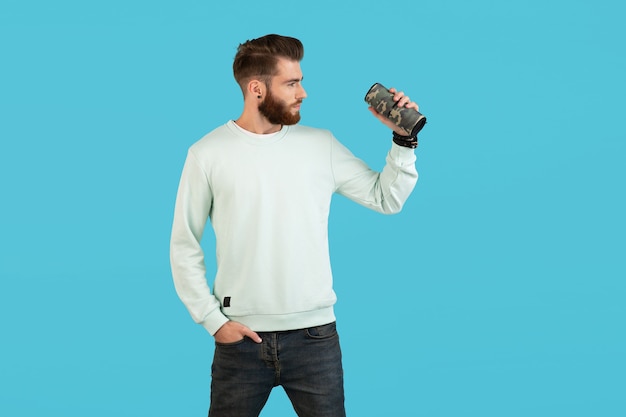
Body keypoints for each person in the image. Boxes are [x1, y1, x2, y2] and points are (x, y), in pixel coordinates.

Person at [170, 34, 421, 417]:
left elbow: (386, 198)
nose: (303, 92)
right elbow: (184, 245)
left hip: (315, 338)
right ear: (257, 88)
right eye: (291, 83)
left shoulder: (321, 144)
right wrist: (213, 321)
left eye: (300, 81)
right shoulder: (207, 154)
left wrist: (404, 139)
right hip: (240, 340)